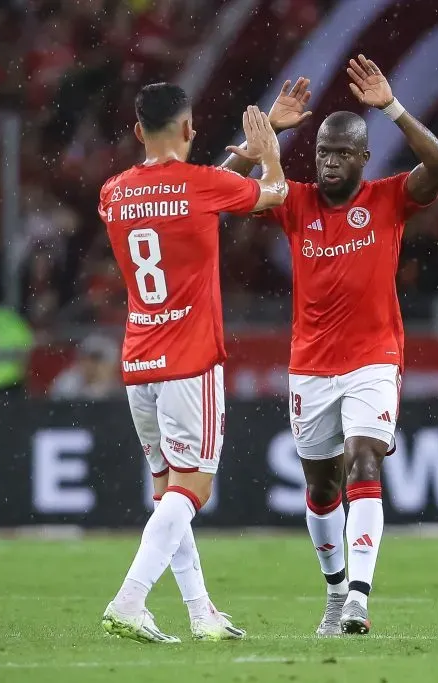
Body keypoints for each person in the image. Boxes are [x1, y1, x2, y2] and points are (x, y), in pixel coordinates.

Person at [258, 55, 438, 635]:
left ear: (364, 159)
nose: (328, 162)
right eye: (321, 152)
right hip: (309, 367)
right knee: (321, 487)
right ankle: (335, 588)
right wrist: (271, 131)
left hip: (373, 358)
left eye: (342, 153)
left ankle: (359, 599)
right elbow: (229, 186)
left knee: (364, 457)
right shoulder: (294, 203)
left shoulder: (389, 199)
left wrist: (392, 107)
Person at [97, 83, 287, 643]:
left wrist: (237, 157)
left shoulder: (112, 193)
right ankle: (129, 599)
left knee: (168, 494)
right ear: (189, 129)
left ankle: (202, 614)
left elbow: (182, 194)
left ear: (137, 131)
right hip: (191, 360)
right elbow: (273, 192)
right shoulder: (203, 185)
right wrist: (268, 147)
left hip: (139, 362)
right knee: (192, 491)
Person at [49, 333, 121, 400]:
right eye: (91, 360)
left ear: (112, 366)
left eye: (100, 361)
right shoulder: (67, 383)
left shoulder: (118, 388)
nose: (95, 367)